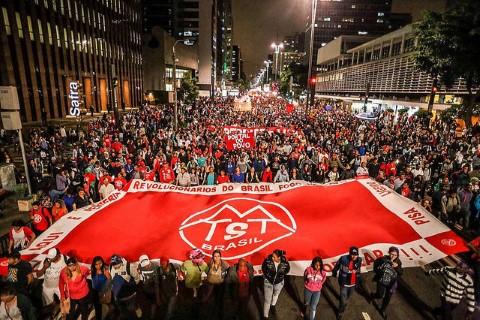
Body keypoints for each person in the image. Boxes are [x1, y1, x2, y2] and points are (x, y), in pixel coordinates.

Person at [370, 246, 403, 318]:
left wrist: (397, 267)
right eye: (391, 254)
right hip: (382, 280)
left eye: (395, 255)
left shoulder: (398, 262)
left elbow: (401, 273)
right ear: (388, 253)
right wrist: (379, 272)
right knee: (380, 295)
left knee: (388, 297)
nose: (393, 256)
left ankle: (383, 310)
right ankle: (373, 295)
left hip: (392, 283)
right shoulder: (383, 259)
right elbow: (375, 264)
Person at [332, 246, 363, 320]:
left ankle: (343, 303)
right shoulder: (343, 259)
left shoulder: (359, 260)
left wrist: (358, 281)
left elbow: (358, 270)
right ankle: (340, 312)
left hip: (353, 284)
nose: (354, 256)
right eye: (352, 254)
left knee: (347, 297)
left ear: (358, 254)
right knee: (343, 301)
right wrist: (334, 272)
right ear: (349, 254)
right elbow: (337, 266)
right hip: (344, 283)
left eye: (355, 255)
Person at [261, 249, 290, 319]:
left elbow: (287, 270)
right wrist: (266, 277)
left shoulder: (285, 263)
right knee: (267, 300)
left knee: (276, 294)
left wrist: (280, 277)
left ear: (279, 257)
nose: (272, 258)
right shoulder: (268, 260)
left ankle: (273, 305)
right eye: (272, 256)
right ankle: (265, 316)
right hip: (268, 282)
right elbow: (263, 268)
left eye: (274, 257)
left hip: (279, 282)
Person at [109, 254, 140, 319]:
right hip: (119, 298)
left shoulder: (129, 266)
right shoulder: (111, 267)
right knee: (123, 312)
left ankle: (137, 308)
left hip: (130, 296)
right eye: (113, 264)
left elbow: (137, 278)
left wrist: (130, 286)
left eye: (116, 264)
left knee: (132, 312)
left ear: (121, 262)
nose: (115, 266)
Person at [203, 250, 229, 317]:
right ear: (212, 257)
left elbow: (228, 273)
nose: (216, 258)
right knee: (210, 298)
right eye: (215, 256)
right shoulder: (210, 263)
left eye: (218, 256)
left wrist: (224, 280)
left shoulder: (225, 264)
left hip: (220, 284)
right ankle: (211, 313)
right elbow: (207, 271)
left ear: (220, 257)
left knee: (220, 300)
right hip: (211, 284)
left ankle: (220, 314)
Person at [137, 255, 161, 319]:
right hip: (144, 288)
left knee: (153, 304)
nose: (146, 267)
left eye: (147, 265)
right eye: (144, 266)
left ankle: (152, 317)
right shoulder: (140, 266)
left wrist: (157, 297)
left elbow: (156, 283)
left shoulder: (155, 267)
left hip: (153, 289)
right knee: (146, 305)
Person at [91, 256, 112, 320]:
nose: (98, 266)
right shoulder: (93, 270)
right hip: (95, 292)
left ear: (102, 263)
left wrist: (104, 292)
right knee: (98, 309)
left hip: (103, 292)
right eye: (96, 264)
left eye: (100, 263)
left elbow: (110, 281)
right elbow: (93, 281)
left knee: (108, 305)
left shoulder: (105, 271)